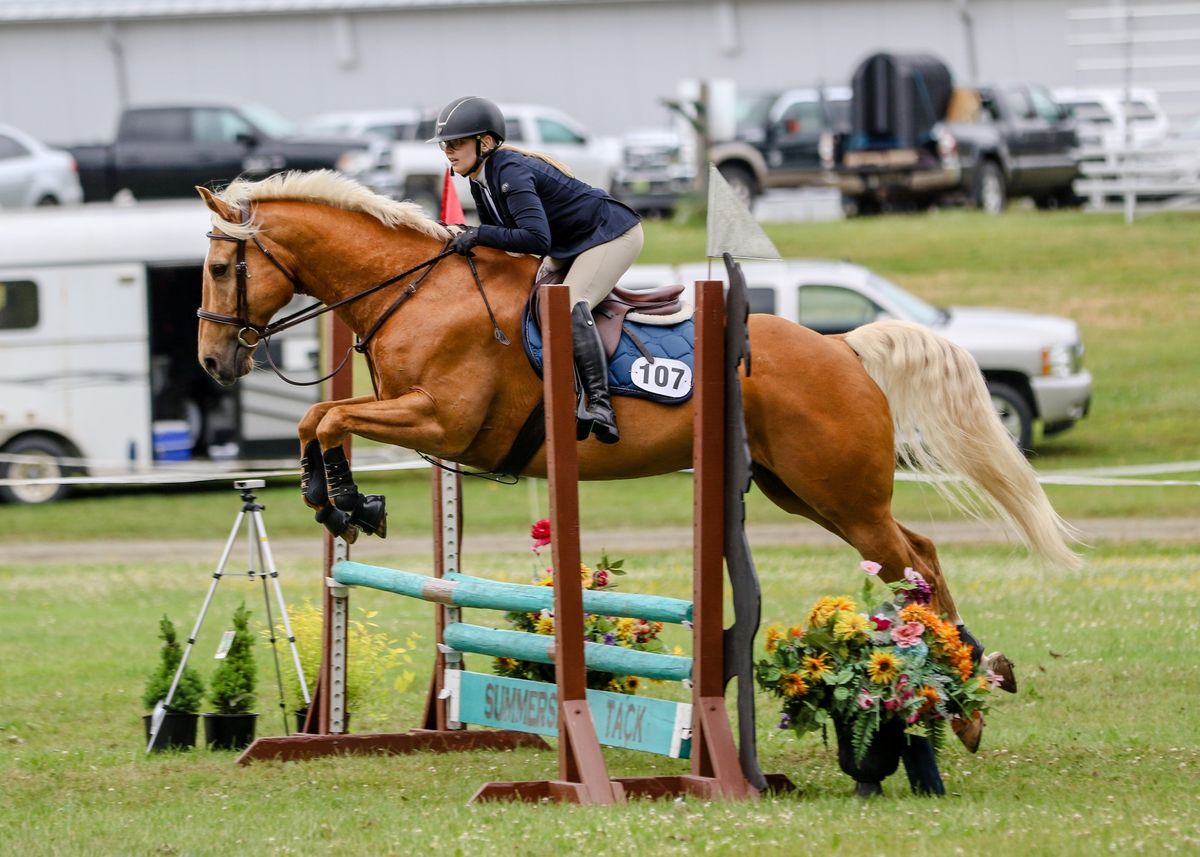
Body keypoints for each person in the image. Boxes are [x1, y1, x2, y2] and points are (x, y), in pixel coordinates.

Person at [428, 95, 643, 444]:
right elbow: (501, 242)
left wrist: (478, 234)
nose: (448, 152)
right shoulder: (478, 180)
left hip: (608, 235)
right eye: (445, 145)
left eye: (456, 143)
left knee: (568, 306)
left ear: (485, 142)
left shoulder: (510, 171)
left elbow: (535, 239)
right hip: (569, 243)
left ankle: (601, 405)